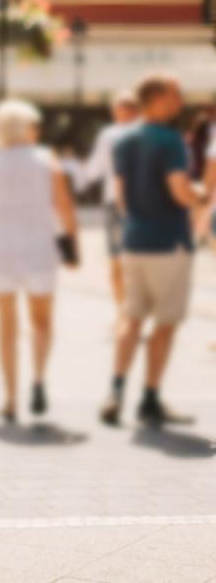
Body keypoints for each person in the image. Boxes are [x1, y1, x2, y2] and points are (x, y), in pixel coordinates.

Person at [100, 73, 205, 427]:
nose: (181, 100)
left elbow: (120, 195)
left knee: (130, 318)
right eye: (176, 94)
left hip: (134, 240)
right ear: (157, 97)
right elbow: (179, 190)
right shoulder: (171, 140)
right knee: (165, 323)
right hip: (168, 242)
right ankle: (149, 398)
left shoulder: (124, 139)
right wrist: (199, 196)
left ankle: (115, 390)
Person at [0, 100, 78, 423]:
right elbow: (64, 206)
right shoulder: (47, 161)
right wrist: (70, 245)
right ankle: (39, 380)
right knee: (41, 320)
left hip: (0, 250)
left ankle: (11, 398)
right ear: (27, 129)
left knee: (6, 326)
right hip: (39, 249)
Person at [81, 92, 141, 310]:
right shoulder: (151, 132)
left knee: (116, 256)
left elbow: (94, 169)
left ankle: (122, 310)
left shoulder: (110, 134)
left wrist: (79, 181)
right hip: (148, 202)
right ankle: (137, 310)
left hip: (115, 200)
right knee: (142, 258)